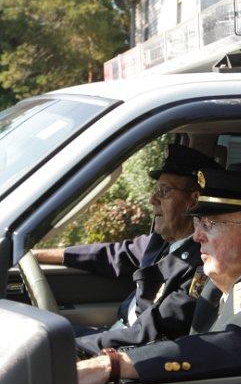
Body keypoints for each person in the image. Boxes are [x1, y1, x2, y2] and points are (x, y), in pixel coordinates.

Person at [77, 166, 241, 384]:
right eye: (197, 222)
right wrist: (75, 349)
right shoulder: (214, 282)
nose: (196, 236)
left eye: (211, 224)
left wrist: (114, 364)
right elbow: (159, 328)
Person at [34, 145, 223, 354]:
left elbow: (154, 331)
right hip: (118, 334)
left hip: (130, 352)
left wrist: (76, 345)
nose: (153, 200)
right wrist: (36, 255)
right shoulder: (161, 241)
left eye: (164, 191)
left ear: (193, 201)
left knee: (42, 343)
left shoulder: (203, 262)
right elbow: (112, 254)